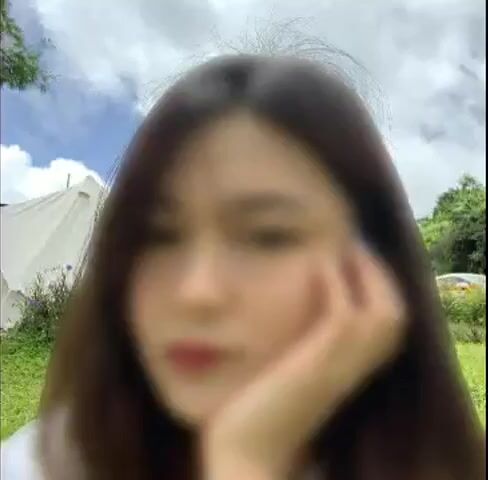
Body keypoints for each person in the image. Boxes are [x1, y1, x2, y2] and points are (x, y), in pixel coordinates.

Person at [2, 55, 484, 480]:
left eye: (267, 237)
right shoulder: (44, 465)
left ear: (371, 269)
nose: (196, 291)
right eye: (158, 236)